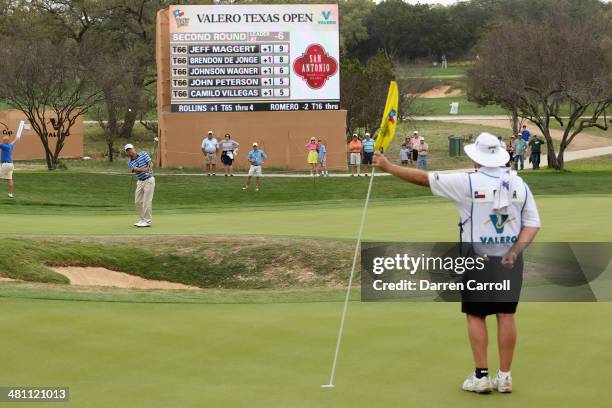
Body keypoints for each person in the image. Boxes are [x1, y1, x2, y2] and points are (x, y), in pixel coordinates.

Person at [373, 132, 541, 394]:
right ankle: (505, 376)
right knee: (506, 314)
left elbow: (424, 179)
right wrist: (516, 251)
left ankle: (481, 376)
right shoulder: (519, 184)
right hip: (510, 259)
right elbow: (532, 224)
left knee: (476, 314)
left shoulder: (468, 182)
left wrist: (388, 167)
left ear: (476, 158)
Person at [125, 144, 155, 228]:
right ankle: (142, 219)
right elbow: (136, 170)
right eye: (127, 150)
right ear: (127, 152)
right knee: (137, 202)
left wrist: (149, 167)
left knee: (147, 201)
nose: (129, 151)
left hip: (149, 180)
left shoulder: (143, 154)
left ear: (134, 148)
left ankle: (147, 221)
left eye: (130, 149)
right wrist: (144, 169)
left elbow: (150, 163)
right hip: (140, 181)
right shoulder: (130, 162)